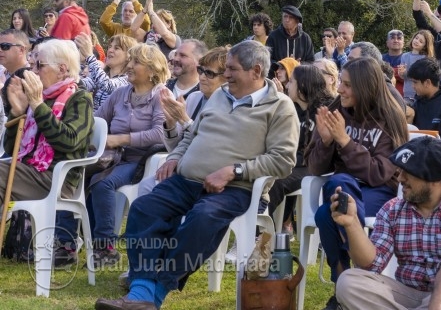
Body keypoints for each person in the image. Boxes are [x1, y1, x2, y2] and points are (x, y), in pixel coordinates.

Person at [94, 40, 299, 310]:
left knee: (202, 218)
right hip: (186, 180)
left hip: (235, 188)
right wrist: (176, 157)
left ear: (256, 71)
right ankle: (142, 289)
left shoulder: (279, 107)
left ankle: (151, 293)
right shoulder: (221, 95)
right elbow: (193, 133)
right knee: (145, 208)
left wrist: (234, 171)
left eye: (232, 70)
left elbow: (283, 160)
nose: (225, 75)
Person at [334, 137, 441, 310]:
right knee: (348, 282)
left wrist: (438, 304)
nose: (400, 178)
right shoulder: (392, 209)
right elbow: (371, 264)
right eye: (400, 171)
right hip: (407, 295)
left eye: (408, 172)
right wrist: (352, 224)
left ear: (434, 178)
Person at [305, 57, 409, 310]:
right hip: (342, 188)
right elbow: (315, 168)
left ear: (366, 87)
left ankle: (342, 287)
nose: (340, 89)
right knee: (339, 183)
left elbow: (378, 174)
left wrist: (345, 141)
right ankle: (353, 278)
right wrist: (327, 142)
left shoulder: (390, 118)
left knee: (325, 213)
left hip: (379, 193)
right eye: (341, 82)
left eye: (348, 85)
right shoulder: (335, 111)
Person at [0, 39, 93, 265]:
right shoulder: (42, 99)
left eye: (39, 66)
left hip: (56, 177)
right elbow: (11, 148)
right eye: (33, 65)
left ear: (62, 69)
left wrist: (38, 105)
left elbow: (68, 141)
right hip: (29, 172)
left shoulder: (80, 98)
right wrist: (18, 112)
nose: (33, 71)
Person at [86, 43, 168, 267]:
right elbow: (98, 121)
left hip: (141, 161)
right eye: (130, 61)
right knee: (76, 175)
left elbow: (160, 134)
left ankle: (106, 248)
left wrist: (120, 139)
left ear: (152, 70)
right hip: (111, 157)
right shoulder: (120, 93)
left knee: (102, 184)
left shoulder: (162, 95)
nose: (129, 66)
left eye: (136, 62)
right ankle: (69, 243)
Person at [267, 64, 335, 232]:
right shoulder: (292, 108)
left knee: (274, 182)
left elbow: (324, 152)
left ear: (303, 85)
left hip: (315, 167)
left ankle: (255, 233)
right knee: (258, 175)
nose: (287, 85)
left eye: (291, 82)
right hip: (293, 162)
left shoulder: (327, 108)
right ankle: (257, 229)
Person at [76, 33, 136, 111]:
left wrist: (89, 55)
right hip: (94, 121)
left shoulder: (127, 80)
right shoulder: (101, 75)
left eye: (116, 48)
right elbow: (82, 85)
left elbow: (107, 85)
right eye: (110, 47)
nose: (110, 50)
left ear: (129, 56)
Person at [407, 57, 441, 140]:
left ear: (427, 83)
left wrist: (433, 145)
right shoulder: (417, 103)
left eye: (415, 82)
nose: (413, 86)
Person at [398, 29, 435, 102]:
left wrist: (406, 73)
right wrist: (401, 73)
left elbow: (420, 76)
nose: (417, 41)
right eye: (416, 38)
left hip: (420, 94)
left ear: (425, 46)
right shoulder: (404, 56)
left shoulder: (425, 58)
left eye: (421, 41)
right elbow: (403, 76)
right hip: (407, 93)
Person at [0, 29, 31, 116]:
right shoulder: (2, 72)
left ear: (21, 50)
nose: (0, 50)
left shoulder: (31, 77)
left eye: (5, 46)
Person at [382, 29, 405, 95]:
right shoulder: (380, 58)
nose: (396, 41)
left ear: (403, 43)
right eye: (392, 38)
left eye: (399, 38)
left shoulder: (407, 58)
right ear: (387, 43)